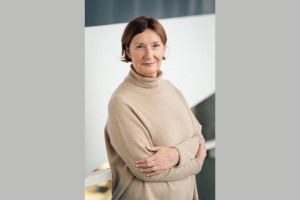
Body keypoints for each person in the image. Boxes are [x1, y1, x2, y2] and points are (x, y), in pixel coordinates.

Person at [104, 16, 207, 200]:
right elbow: (146, 171)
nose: (149, 55)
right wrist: (195, 164)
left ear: (164, 48)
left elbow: (198, 138)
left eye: (155, 45)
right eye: (140, 47)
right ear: (128, 51)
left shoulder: (171, 89)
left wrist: (175, 154)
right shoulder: (121, 101)